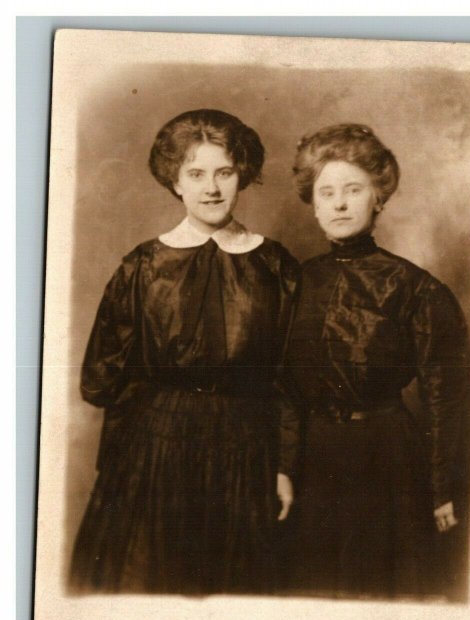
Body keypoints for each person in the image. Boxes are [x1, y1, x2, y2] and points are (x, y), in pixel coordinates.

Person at [69, 109, 299, 595]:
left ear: (244, 176)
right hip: (157, 449)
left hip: (246, 446)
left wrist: (284, 466)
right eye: (196, 174)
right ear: (175, 182)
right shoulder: (143, 266)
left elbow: (289, 377)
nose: (211, 188)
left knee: (237, 598)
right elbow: (103, 379)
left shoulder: (275, 265)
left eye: (224, 173)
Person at [286, 123, 469, 598]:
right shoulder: (293, 283)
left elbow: (443, 397)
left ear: (379, 197)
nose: (339, 204)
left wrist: (440, 487)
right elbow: (280, 388)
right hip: (313, 459)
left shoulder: (416, 288)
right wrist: (281, 467)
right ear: (314, 204)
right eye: (326, 193)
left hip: (386, 460)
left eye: (353, 190)